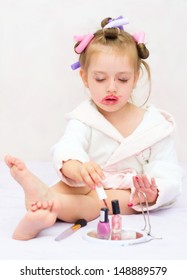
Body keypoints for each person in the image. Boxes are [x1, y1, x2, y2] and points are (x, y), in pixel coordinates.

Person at [5, 16, 182, 240]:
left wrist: (154, 191)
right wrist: (79, 168)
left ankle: (48, 205)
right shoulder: (84, 117)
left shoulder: (155, 126)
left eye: (123, 79)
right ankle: (41, 207)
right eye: (100, 79)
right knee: (66, 187)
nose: (111, 88)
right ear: (85, 77)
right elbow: (68, 146)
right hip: (89, 183)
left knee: (96, 204)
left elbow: (169, 170)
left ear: (136, 78)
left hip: (128, 193)